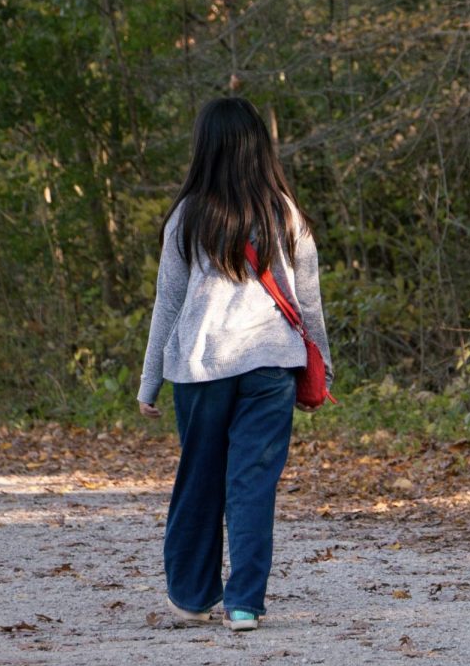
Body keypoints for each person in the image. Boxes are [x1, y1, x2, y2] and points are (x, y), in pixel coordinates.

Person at [136, 96, 333, 631]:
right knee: (252, 484)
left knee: (199, 480)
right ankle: (244, 603)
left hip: (201, 370)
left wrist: (149, 380)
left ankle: (192, 596)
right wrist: (324, 369)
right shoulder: (286, 214)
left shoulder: (188, 215)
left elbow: (168, 302)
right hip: (271, 367)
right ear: (259, 148)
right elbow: (309, 300)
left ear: (205, 149)